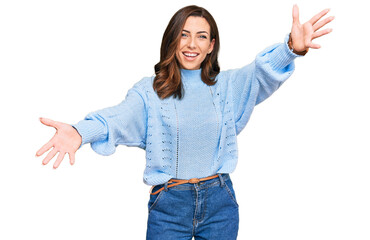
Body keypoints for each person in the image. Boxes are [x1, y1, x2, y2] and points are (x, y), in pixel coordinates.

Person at [36, 4, 334, 240]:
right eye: (184, 34)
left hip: (220, 200)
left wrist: (292, 49)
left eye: (201, 36)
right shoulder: (149, 91)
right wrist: (79, 132)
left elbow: (260, 73)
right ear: (172, 40)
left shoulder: (227, 86)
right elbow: (116, 118)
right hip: (169, 205)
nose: (192, 44)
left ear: (211, 45)